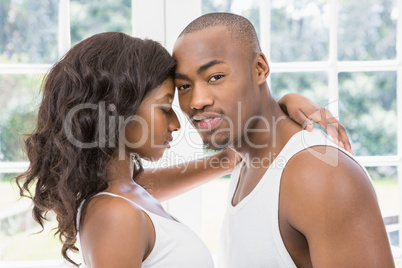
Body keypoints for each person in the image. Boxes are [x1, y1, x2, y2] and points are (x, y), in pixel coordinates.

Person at [16, 32, 352, 267]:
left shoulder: (130, 192)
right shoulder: (115, 214)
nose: (176, 123)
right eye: (165, 108)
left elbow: (230, 157)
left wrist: (278, 105)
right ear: (118, 112)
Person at [169, 12, 395, 267]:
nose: (197, 101)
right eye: (184, 86)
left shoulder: (319, 174)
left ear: (260, 69)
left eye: (215, 77)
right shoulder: (246, 158)